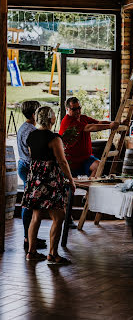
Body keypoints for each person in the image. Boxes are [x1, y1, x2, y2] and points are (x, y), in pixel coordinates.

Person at [22, 106, 76, 263]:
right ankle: (53, 254)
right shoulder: (54, 138)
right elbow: (62, 161)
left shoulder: (31, 136)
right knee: (59, 216)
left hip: (35, 178)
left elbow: (34, 157)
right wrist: (71, 180)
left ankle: (31, 252)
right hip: (49, 179)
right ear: (52, 119)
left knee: (36, 215)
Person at [59, 97, 119, 178]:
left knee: (99, 166)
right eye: (74, 109)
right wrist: (109, 126)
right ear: (67, 109)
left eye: (79, 108)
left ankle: (90, 185)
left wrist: (116, 123)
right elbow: (89, 128)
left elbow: (99, 123)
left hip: (86, 158)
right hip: (71, 161)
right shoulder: (67, 121)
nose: (77, 111)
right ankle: (85, 185)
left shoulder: (83, 118)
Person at [17, 100, 47, 251]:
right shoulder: (31, 131)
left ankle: (29, 236)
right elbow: (33, 152)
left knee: (30, 202)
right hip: (29, 167)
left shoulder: (24, 127)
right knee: (29, 204)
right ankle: (27, 239)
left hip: (23, 165)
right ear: (35, 113)